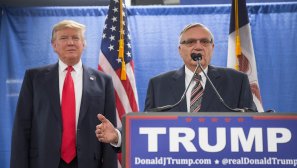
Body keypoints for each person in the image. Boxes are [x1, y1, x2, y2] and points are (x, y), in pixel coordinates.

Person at [95, 23, 256, 146]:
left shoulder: (237, 81)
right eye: (191, 42)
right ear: (180, 49)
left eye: (205, 42)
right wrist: (117, 135)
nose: (198, 46)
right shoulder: (159, 84)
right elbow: (147, 125)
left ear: (212, 48)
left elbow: (252, 124)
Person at [10, 20, 118, 168]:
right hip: (43, 162)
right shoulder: (34, 78)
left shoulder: (103, 81)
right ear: (54, 45)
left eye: (75, 38)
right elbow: (22, 128)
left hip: (88, 163)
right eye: (64, 38)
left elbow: (109, 129)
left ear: (84, 44)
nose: (70, 43)